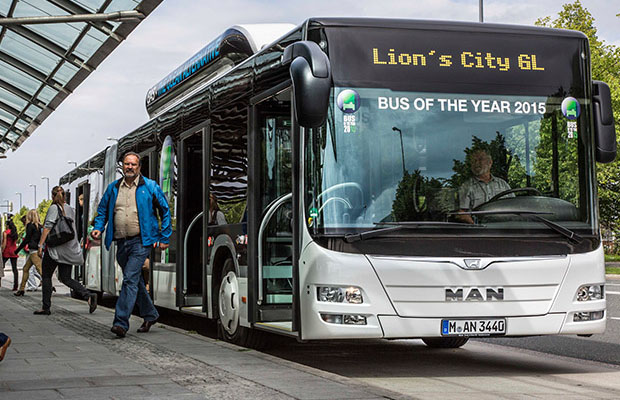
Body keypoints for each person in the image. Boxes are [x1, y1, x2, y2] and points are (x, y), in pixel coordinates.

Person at [92, 152, 171, 338]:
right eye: (127, 164)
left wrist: (165, 237)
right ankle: (150, 314)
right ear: (122, 166)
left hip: (141, 241)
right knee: (134, 280)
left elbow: (165, 210)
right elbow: (102, 210)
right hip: (121, 242)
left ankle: (120, 323)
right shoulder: (113, 188)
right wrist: (98, 228)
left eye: (133, 164)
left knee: (129, 279)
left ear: (139, 167)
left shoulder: (150, 186)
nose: (130, 167)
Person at [34, 186, 97, 315]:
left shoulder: (54, 208)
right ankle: (88, 295)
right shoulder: (69, 209)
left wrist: (40, 245)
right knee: (66, 278)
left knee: (46, 276)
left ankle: (46, 307)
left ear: (52, 196)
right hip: (68, 249)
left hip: (55, 250)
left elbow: (47, 227)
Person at [457, 149, 512, 224]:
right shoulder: (466, 187)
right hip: (481, 229)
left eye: (480, 159)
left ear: (490, 162)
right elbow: (462, 214)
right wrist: (475, 226)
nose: (477, 163)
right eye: (474, 161)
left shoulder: (503, 184)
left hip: (506, 227)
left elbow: (514, 206)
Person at [14, 210, 43, 296]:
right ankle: (21, 289)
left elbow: (27, 239)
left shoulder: (30, 225)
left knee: (40, 269)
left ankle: (49, 286)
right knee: (26, 269)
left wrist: (17, 250)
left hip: (33, 251)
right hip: (35, 250)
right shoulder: (40, 226)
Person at [2, 217, 19, 291]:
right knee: (14, 269)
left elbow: (4, 243)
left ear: (7, 225)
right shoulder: (15, 233)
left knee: (1, 267)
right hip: (14, 251)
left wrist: (2, 250)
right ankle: (15, 286)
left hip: (7, 251)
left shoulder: (5, 232)